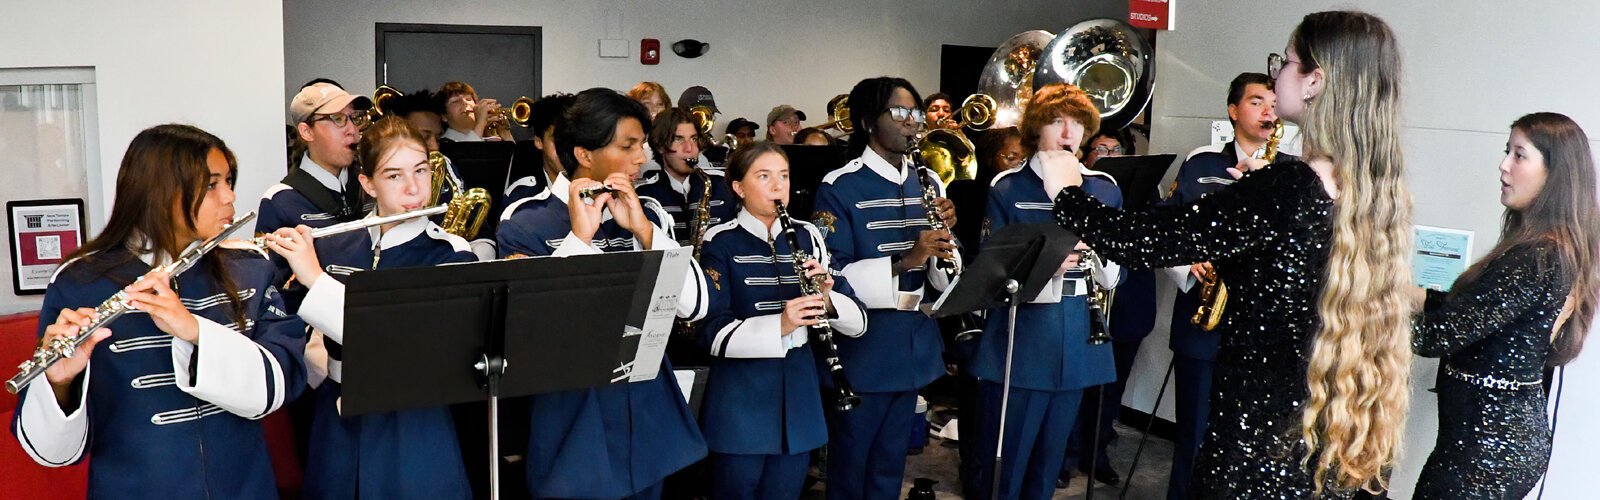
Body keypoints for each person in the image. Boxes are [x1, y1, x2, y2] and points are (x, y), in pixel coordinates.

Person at [1042, 11, 1414, 497]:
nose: (1278, 72)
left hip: (1259, 438)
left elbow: (1148, 239)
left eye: (1287, 61)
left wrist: (1068, 193)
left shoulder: (1288, 186)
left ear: (1314, 82)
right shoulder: (1375, 190)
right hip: (1326, 433)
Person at [11, 124, 307, 499]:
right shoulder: (80, 281)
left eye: (229, 180)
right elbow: (52, 454)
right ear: (162, 191)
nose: (230, 196)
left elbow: (280, 385)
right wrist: (59, 383)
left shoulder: (248, 266)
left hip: (245, 487)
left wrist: (193, 330)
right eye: (212, 184)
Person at [496, 87, 709, 499]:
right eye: (628, 146)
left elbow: (696, 303)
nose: (641, 158)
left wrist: (645, 232)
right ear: (584, 154)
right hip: (576, 418)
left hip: (645, 406)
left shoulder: (644, 211)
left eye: (642, 145)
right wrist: (579, 239)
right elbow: (533, 325)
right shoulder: (526, 220)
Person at [275, 117, 478, 499]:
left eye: (420, 171)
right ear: (367, 183)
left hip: (413, 420)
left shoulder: (450, 255)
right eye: (394, 176)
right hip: (335, 419)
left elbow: (403, 344)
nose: (415, 189)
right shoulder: (333, 246)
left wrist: (316, 280)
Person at [1408, 112, 1599, 498]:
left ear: (1554, 174)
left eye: (1519, 155)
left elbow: (1434, 337)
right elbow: (1485, 312)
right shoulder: (1548, 247)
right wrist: (1417, 295)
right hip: (1497, 442)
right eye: (1506, 151)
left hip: (1486, 449)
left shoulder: (1536, 255)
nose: (1503, 165)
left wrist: (1360, 301)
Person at [969, 83, 1122, 500]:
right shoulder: (1009, 187)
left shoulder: (1103, 188)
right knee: (1007, 464)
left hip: (1077, 334)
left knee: (1051, 465)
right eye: (1057, 121)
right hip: (1022, 339)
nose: (1068, 133)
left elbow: (1114, 275)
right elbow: (992, 271)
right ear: (1037, 128)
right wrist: (1048, 267)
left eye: (1077, 123)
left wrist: (1095, 254)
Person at [810, 76, 957, 500]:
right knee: (851, 465)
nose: (913, 122)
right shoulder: (839, 186)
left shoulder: (929, 182)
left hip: (912, 342)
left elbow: (945, 273)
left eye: (916, 112)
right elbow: (831, 272)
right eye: (899, 113)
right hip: (864, 346)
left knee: (892, 464)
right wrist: (904, 261)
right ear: (867, 122)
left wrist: (946, 245)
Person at [695, 141, 868, 499]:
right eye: (764, 176)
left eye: (784, 176)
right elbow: (710, 332)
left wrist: (826, 298)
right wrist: (781, 324)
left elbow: (859, 322)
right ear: (738, 188)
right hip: (740, 399)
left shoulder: (807, 236)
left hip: (799, 393)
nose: (778, 186)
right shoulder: (721, 241)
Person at [1152, 71, 1294, 499]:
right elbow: (1166, 228)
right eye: (1256, 101)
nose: (1267, 110)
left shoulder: (1291, 173)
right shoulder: (1201, 165)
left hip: (1262, 332)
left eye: (1272, 102)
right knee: (1193, 434)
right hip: (1203, 323)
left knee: (1250, 442)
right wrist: (1186, 262)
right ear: (1233, 111)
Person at [636, 108, 740, 248]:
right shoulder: (645, 193)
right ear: (660, 146)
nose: (689, 149)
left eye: (694, 139)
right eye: (678, 139)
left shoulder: (722, 185)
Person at [503, 93, 576, 206]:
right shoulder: (522, 196)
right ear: (539, 142)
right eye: (557, 140)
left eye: (571, 138)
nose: (565, 147)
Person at [439, 81, 513, 142]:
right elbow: (469, 154)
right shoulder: (443, 143)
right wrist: (480, 123)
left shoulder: (492, 140)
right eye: (455, 101)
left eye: (468, 99)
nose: (465, 103)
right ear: (444, 116)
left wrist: (506, 136)